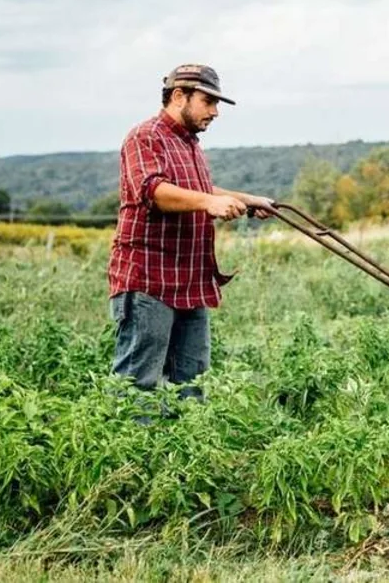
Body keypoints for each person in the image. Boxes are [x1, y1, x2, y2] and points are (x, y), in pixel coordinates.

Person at [107, 63, 273, 401]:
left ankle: (186, 450)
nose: (214, 112)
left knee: (191, 383)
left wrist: (248, 200)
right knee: (137, 385)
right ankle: (131, 453)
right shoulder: (145, 136)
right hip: (150, 281)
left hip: (190, 281)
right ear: (179, 96)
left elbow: (201, 188)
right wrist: (209, 204)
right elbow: (154, 191)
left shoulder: (191, 143)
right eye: (208, 101)